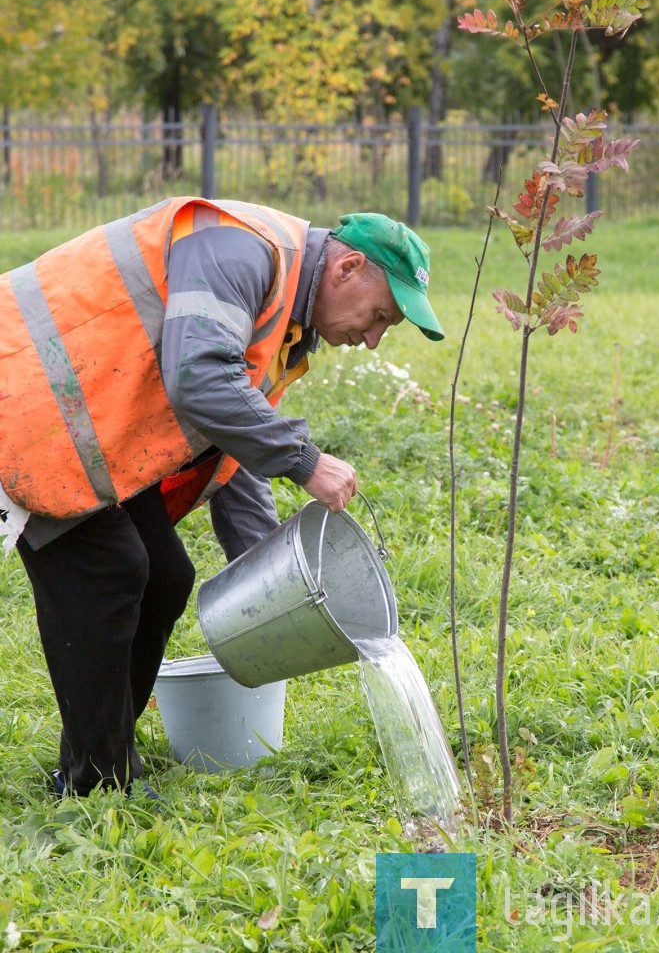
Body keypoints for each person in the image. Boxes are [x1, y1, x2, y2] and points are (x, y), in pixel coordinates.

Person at [0, 197, 444, 798]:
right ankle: (97, 784)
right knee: (111, 571)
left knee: (165, 576)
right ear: (347, 269)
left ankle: (99, 757)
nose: (373, 340)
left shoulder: (288, 322)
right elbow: (202, 379)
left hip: (81, 431)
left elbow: (231, 451)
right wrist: (305, 461)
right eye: (382, 316)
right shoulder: (242, 248)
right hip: (25, 402)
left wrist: (266, 568)